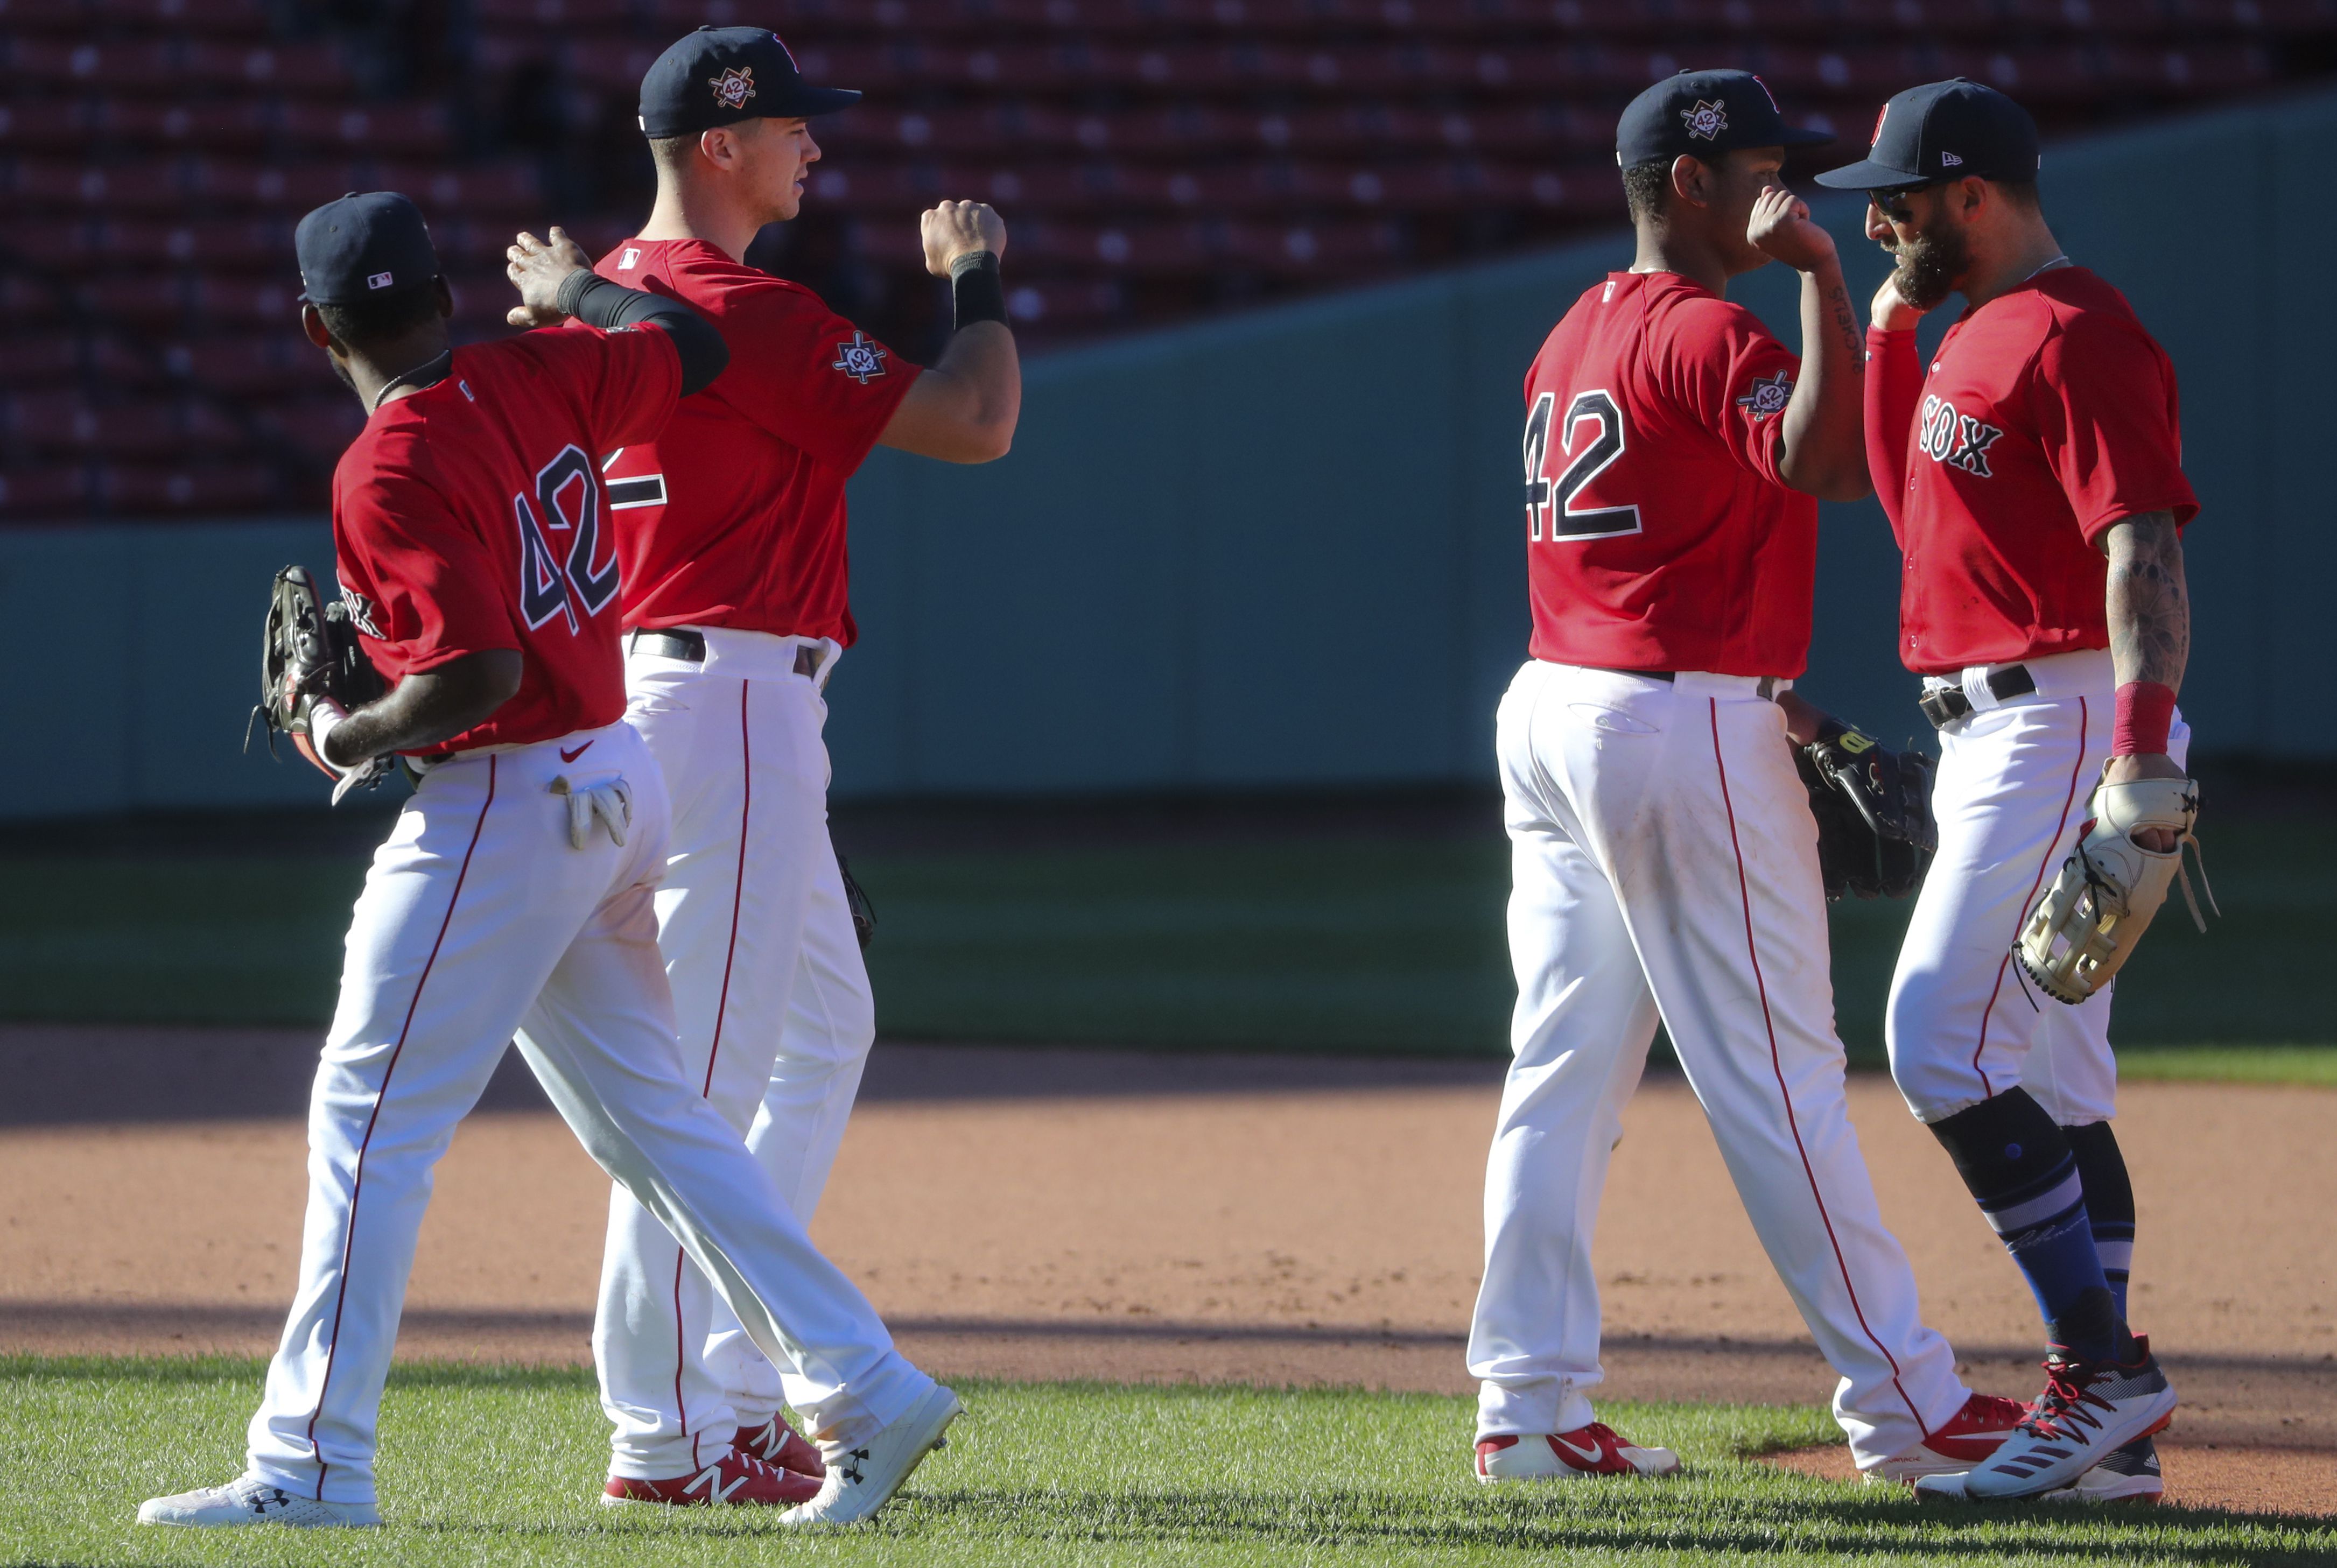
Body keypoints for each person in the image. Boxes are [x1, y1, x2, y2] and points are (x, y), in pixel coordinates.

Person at [137, 192, 957, 1530]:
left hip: (502, 801)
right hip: (613, 774)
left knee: (369, 1125)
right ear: (450, 300)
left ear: (314, 327)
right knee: (665, 1126)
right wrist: (582, 292)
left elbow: (473, 672)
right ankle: (864, 1379)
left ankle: (310, 1463)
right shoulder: (541, 368)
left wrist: (340, 729)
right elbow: (681, 350)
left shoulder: (382, 467)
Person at [1468, 69, 2024, 1486]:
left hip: (1562, 702)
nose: (1783, 190)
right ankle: (1905, 1404)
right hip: (1669, 713)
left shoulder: (1570, 330)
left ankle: (1525, 1404)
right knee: (1776, 1074)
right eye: (1761, 168)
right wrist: (1822, 278)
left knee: (1561, 1072)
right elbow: (1827, 464)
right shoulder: (1714, 328)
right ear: (1691, 183)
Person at [525, 27, 1020, 1504]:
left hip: (673, 695)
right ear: (720, 146)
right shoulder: (738, 305)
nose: (816, 145)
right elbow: (978, 420)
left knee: (819, 1029)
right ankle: (673, 1435)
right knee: (705, 1083)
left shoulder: (599, 297)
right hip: (723, 694)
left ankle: (724, 1388)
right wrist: (973, 279)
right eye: (793, 126)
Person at [1815, 78, 2198, 1502]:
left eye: (1897, 201)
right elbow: (1904, 508)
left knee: (1933, 1041)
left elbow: (2140, 549)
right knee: (2048, 1073)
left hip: (2058, 714)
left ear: (1972, 193)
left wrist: (2142, 747)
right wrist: (1882, 325)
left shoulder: (2078, 332)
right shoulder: (1967, 331)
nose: (1879, 221)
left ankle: (2099, 1376)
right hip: (1992, 721)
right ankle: (2115, 1446)